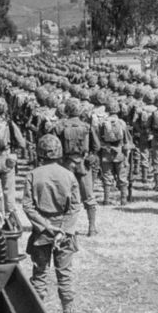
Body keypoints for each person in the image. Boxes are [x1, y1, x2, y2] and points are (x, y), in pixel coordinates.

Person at [22, 134, 81, 313]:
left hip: (41, 233)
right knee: (64, 274)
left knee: (39, 275)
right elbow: (74, 207)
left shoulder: (32, 174)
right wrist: (62, 230)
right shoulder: (68, 175)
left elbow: (28, 206)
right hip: (64, 233)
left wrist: (46, 226)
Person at [55, 98, 100, 236]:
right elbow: (97, 146)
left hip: (66, 164)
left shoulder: (60, 126)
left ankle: (65, 228)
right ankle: (91, 228)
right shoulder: (87, 126)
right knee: (88, 196)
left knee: (64, 195)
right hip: (83, 163)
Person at [98, 99, 132, 206]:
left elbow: (99, 139)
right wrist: (126, 155)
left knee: (107, 177)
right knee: (122, 177)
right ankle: (123, 200)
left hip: (106, 153)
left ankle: (106, 200)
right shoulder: (121, 123)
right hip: (119, 153)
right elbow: (127, 141)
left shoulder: (102, 123)